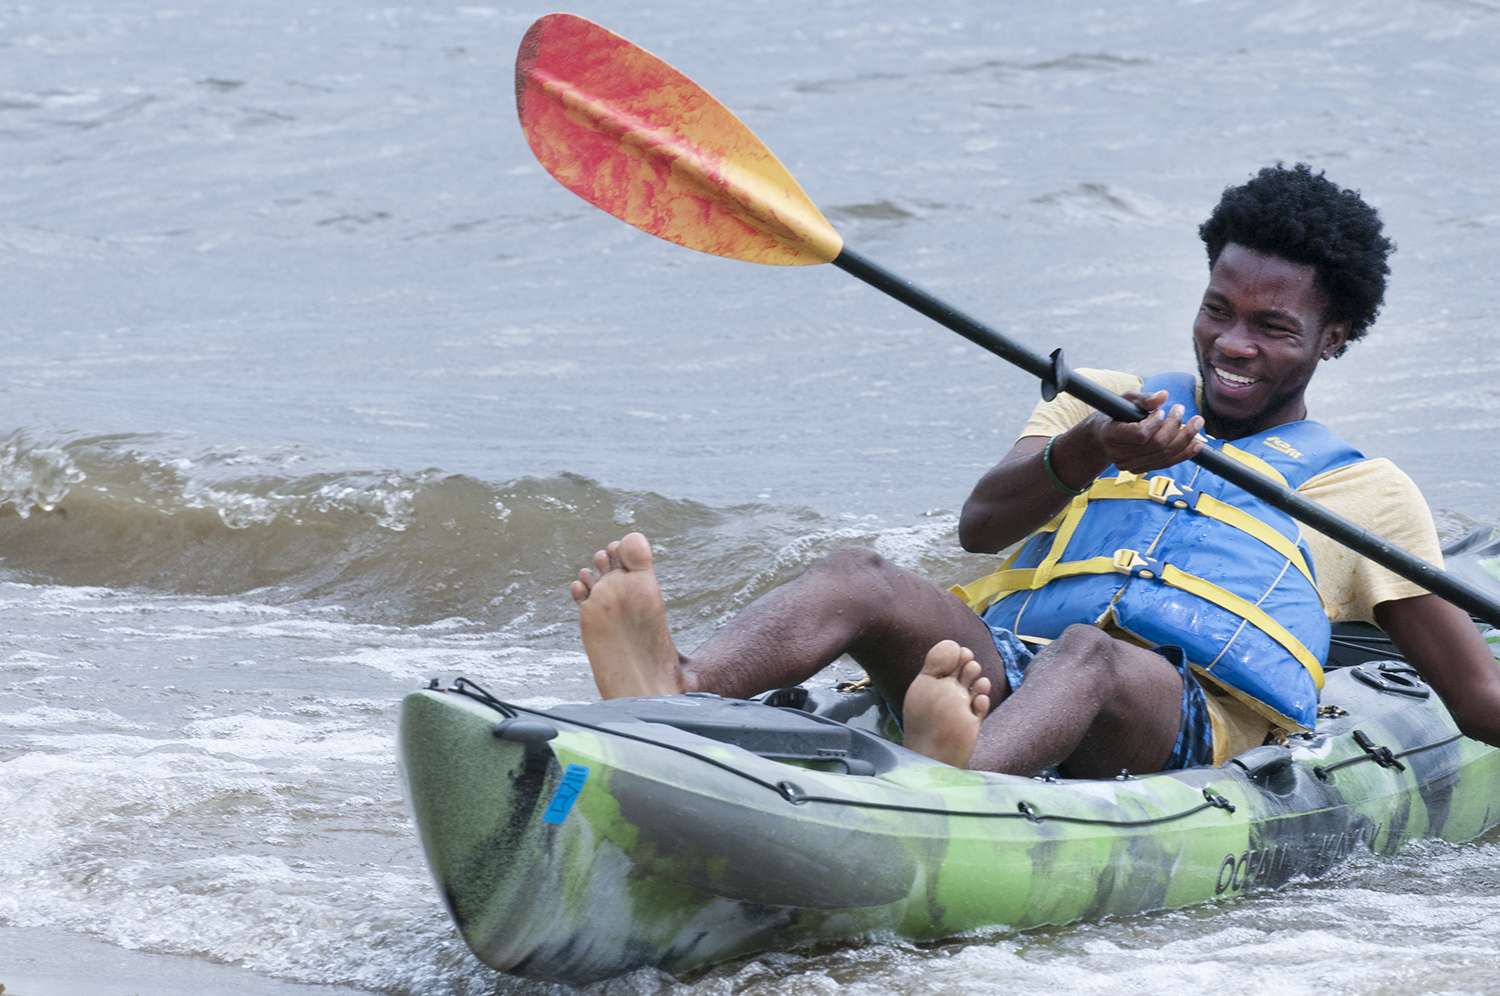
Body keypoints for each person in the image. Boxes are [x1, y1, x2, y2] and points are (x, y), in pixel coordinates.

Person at [570, 164, 1500, 777]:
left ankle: (955, 781)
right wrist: (1092, 450)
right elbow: (982, 527)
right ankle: (678, 687)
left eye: (1274, 327)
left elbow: (1478, 700)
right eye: (1219, 308)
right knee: (860, 574)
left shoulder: (1369, 495)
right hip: (1005, 672)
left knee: (1090, 654)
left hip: (1169, 721)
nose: (1232, 344)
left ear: (1334, 339)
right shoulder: (1102, 403)